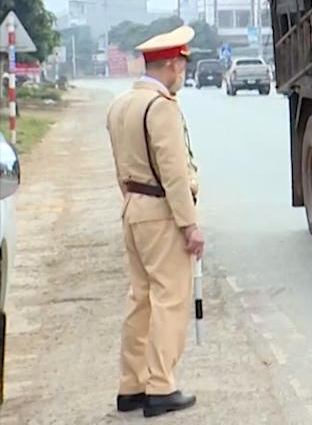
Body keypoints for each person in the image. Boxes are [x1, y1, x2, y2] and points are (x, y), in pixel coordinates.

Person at [105, 25, 203, 418]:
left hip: (133, 208)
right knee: (170, 298)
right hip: (161, 212)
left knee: (140, 299)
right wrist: (189, 225)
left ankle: (131, 386)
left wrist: (133, 204)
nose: (181, 74)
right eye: (180, 65)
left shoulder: (121, 105)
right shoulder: (161, 107)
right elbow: (175, 174)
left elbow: (118, 167)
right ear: (172, 65)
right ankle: (161, 386)